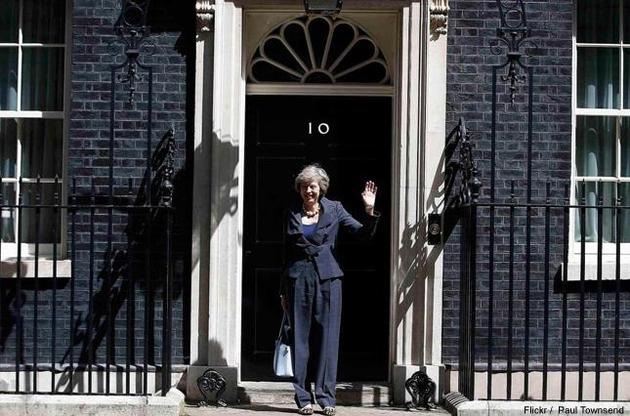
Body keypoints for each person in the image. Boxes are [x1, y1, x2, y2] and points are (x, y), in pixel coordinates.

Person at [280, 164, 379, 416]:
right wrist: (282, 290)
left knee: (328, 339)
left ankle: (326, 398)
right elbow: (286, 253)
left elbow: (362, 234)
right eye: (304, 186)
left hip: (328, 279)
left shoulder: (335, 209)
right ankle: (303, 398)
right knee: (300, 339)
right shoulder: (291, 211)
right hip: (298, 280)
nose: (308, 191)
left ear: (321, 188)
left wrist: (369, 210)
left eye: (312, 186)